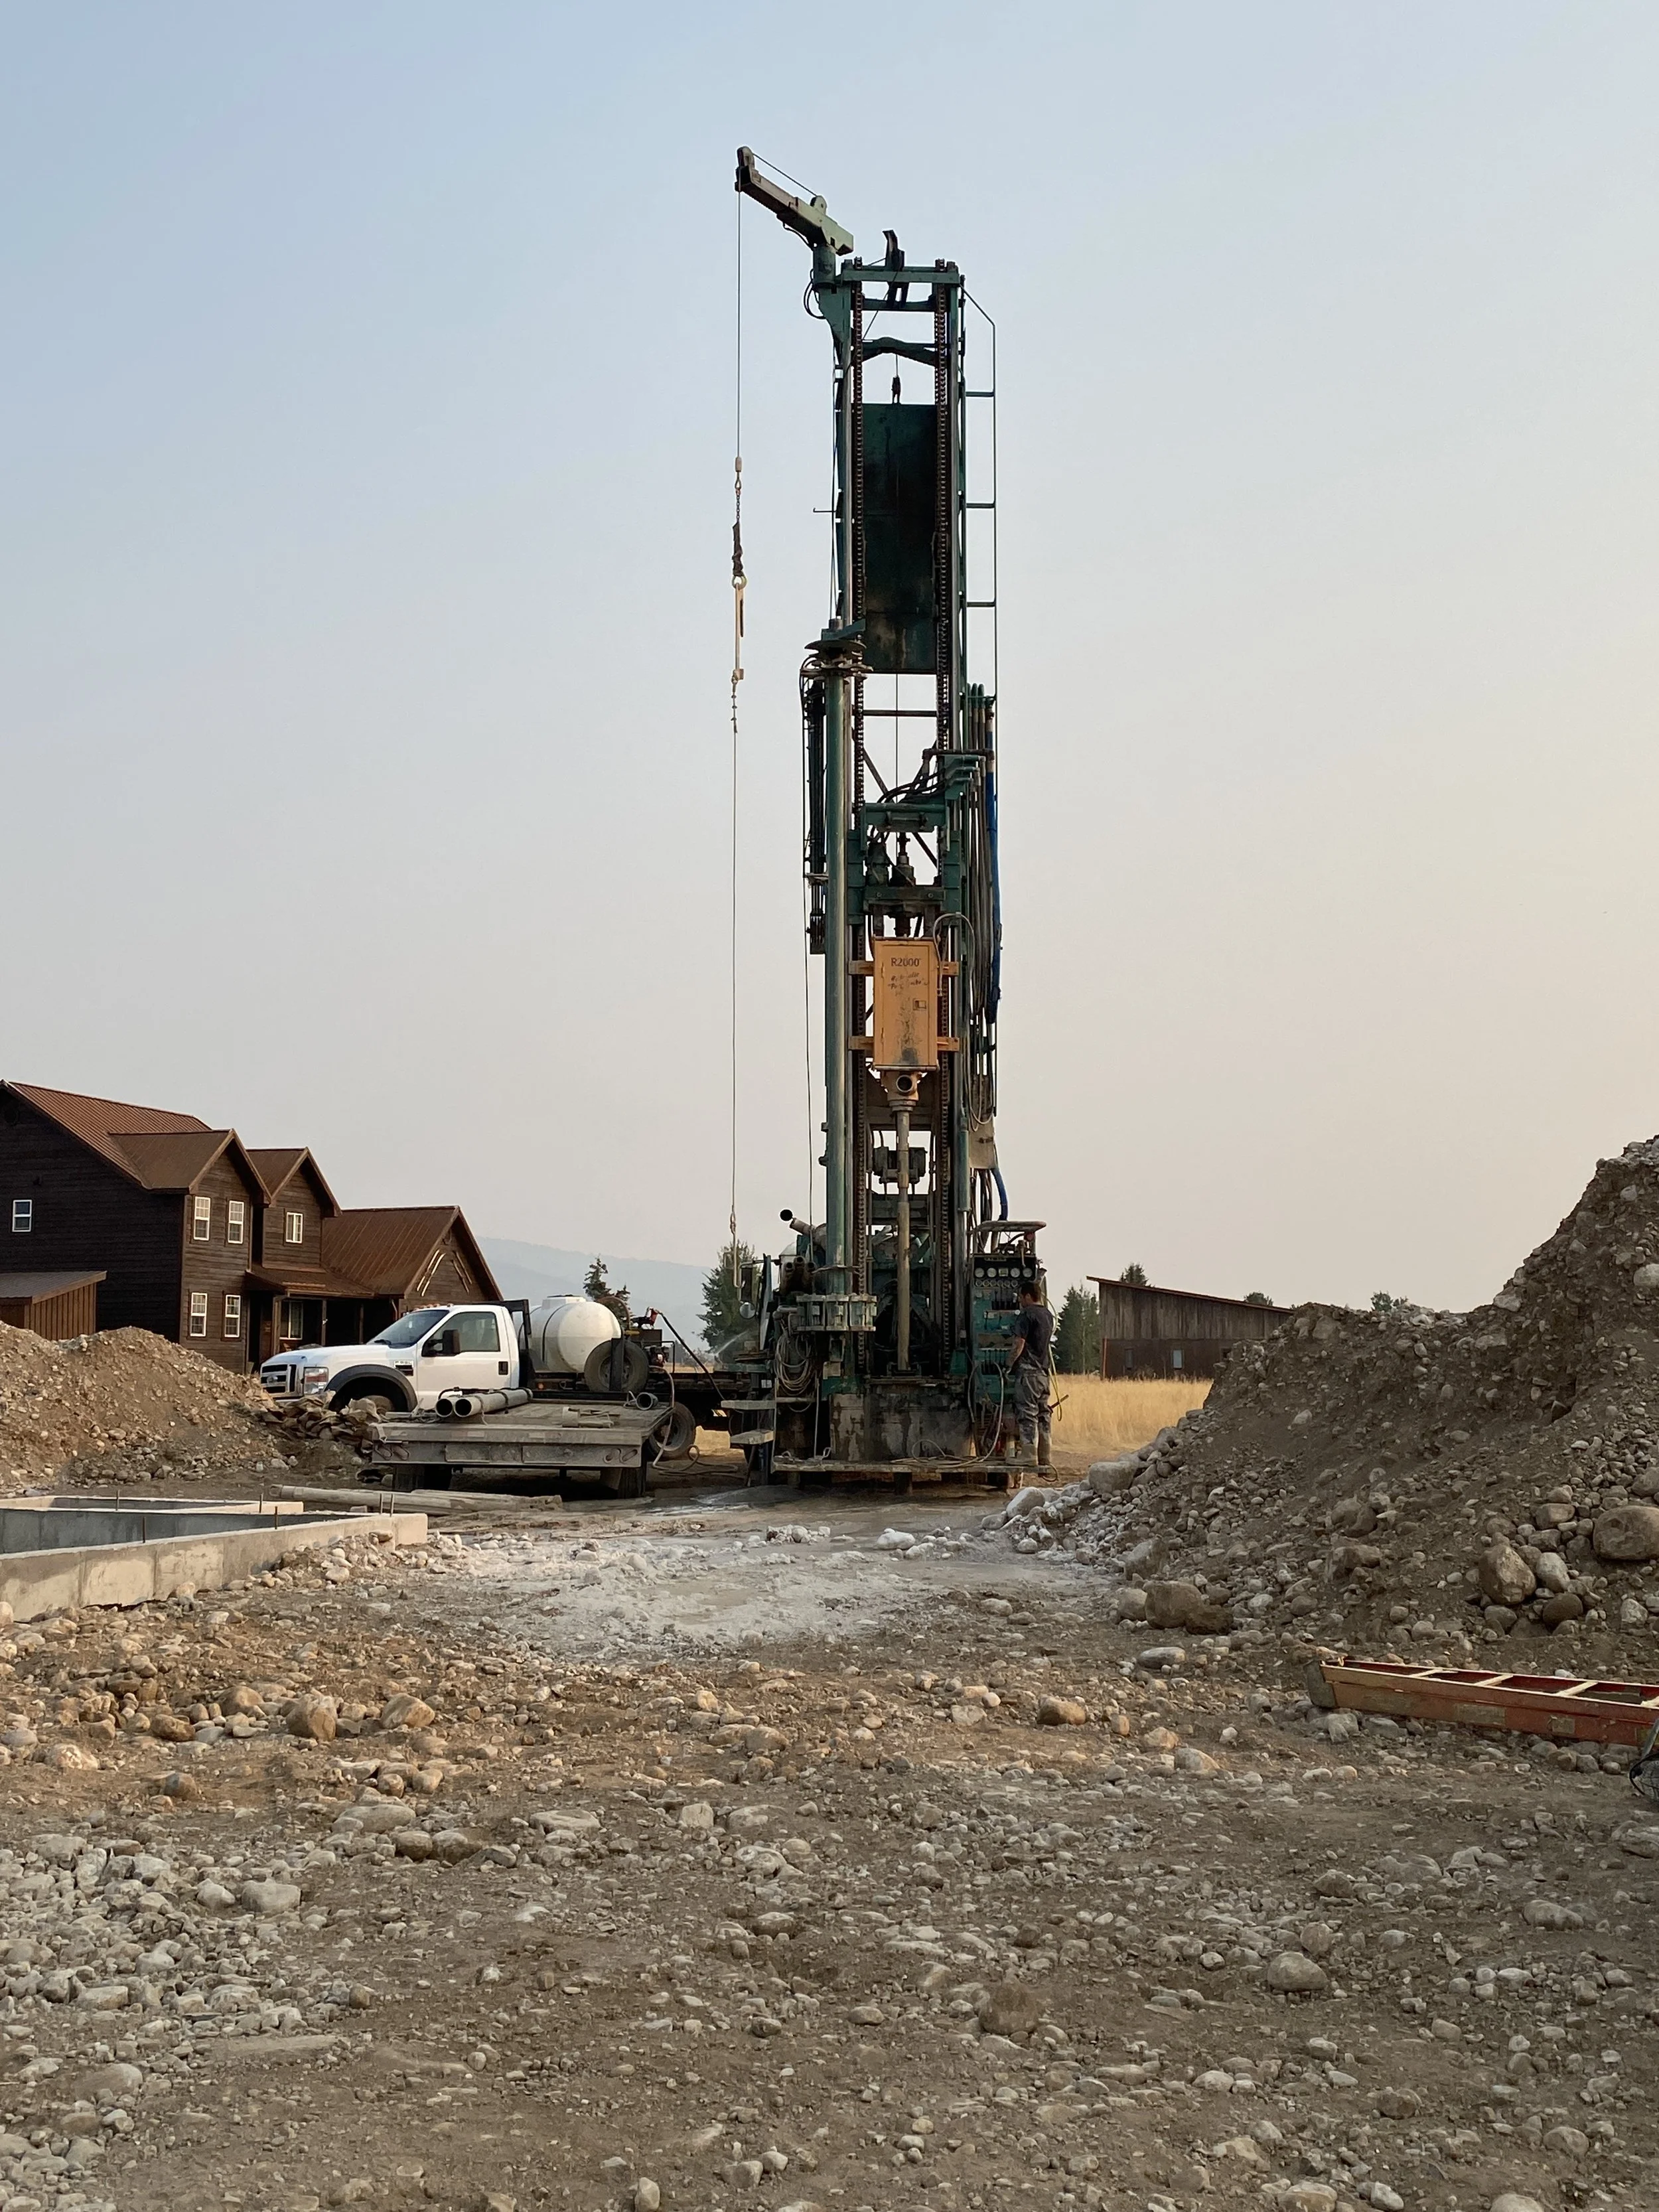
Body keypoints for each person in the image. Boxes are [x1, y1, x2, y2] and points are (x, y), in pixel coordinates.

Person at [1007, 1280, 1053, 1469]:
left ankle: (1028, 1454)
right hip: (1044, 1374)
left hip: (1029, 1374)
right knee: (1044, 1413)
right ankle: (1045, 1455)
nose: (1019, 1301)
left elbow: (1020, 1344)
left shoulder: (1026, 1315)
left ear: (1028, 1296)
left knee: (1027, 1412)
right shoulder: (1048, 1315)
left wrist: (1008, 1364)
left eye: (1020, 1297)